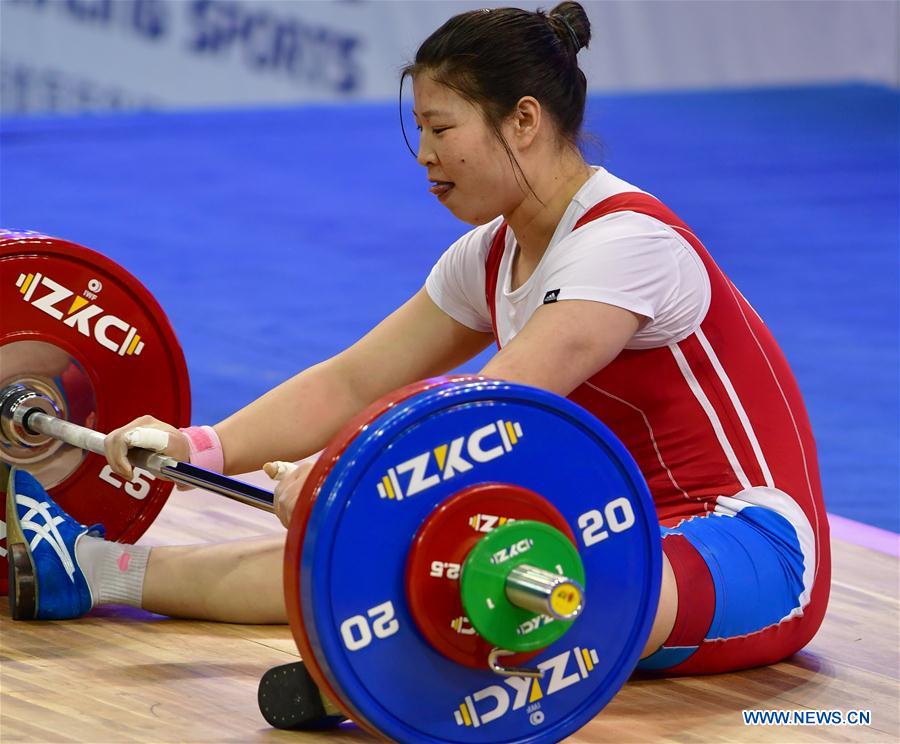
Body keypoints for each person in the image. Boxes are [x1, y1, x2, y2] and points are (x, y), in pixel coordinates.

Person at [6, 0, 829, 721]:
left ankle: (404, 680)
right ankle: (98, 570)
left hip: (746, 547)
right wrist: (197, 447)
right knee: (401, 542)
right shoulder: (490, 254)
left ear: (524, 121)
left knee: (449, 548)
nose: (425, 157)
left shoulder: (626, 247)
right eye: (421, 132)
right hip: (598, 531)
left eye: (441, 130)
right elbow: (355, 378)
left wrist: (337, 476)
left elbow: (489, 409)